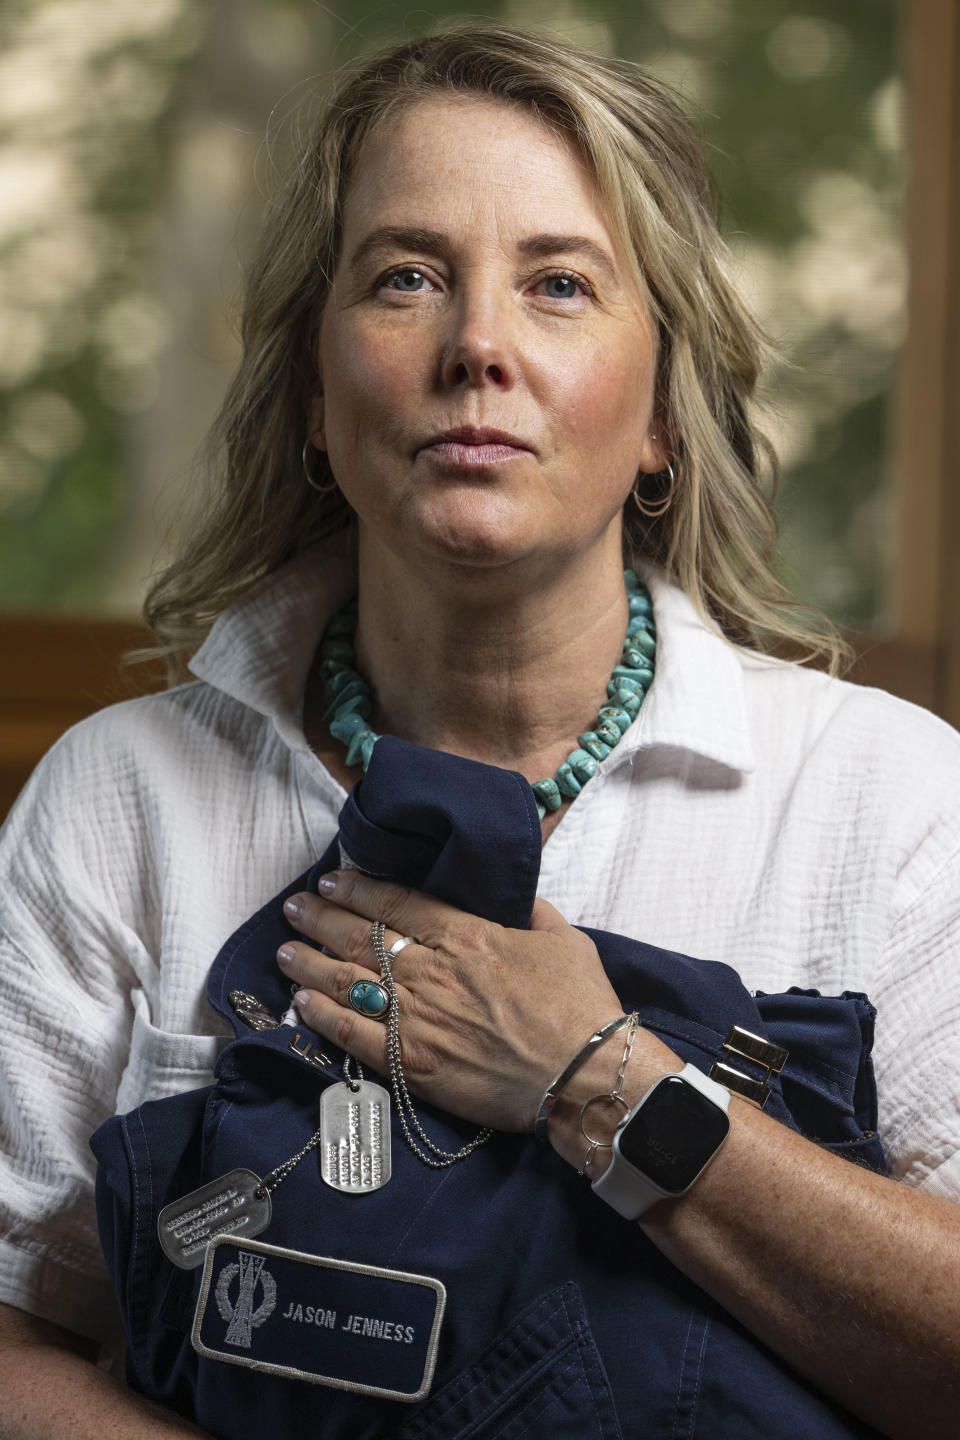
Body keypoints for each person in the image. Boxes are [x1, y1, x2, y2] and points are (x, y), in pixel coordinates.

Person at [1, 22, 959, 1439]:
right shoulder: (122, 798)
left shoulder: (887, 797)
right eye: (406, 278)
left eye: (560, 284)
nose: (479, 347)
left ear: (662, 420)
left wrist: (599, 1075)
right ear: (315, 400)